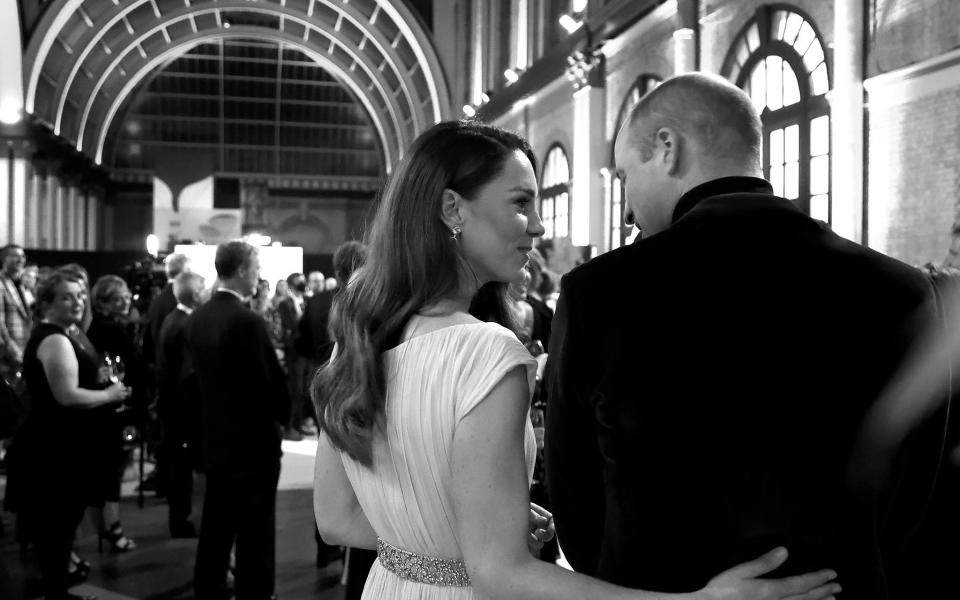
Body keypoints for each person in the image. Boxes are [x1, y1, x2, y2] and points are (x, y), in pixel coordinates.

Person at [311, 120, 838, 600]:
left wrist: (471, 525)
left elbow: (335, 518)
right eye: (521, 203)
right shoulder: (484, 351)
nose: (538, 227)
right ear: (453, 210)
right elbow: (501, 573)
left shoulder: (361, 335)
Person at [545, 73, 938, 599]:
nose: (627, 205)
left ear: (667, 148)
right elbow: (921, 492)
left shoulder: (600, 292)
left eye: (624, 175)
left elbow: (575, 494)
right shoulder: (903, 291)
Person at [6, 272, 129, 600]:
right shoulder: (55, 339)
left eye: (79, 295)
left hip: (61, 444)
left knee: (60, 527)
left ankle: (57, 590)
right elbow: (67, 395)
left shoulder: (66, 333)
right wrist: (109, 396)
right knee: (56, 529)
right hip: (52, 448)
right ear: (46, 303)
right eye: (66, 297)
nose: (77, 301)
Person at [186, 240, 290, 600]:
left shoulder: (198, 316)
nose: (259, 275)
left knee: (215, 526)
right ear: (244, 270)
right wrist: (284, 416)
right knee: (256, 532)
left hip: (215, 439)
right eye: (257, 267)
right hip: (253, 445)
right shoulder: (247, 321)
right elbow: (271, 385)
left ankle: (208, 589)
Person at [86, 274, 147, 553]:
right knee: (111, 472)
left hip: (114, 407)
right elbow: (120, 369)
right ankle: (112, 528)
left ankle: (109, 527)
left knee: (112, 471)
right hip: (112, 410)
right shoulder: (107, 329)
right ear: (102, 302)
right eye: (117, 298)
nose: (125, 302)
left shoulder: (110, 326)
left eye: (126, 296)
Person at [156, 271, 206, 539]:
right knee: (182, 468)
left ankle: (181, 516)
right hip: (182, 410)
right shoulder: (185, 324)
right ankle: (182, 518)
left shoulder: (173, 319)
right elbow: (187, 374)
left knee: (179, 466)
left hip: (173, 407)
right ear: (196, 294)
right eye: (204, 287)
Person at [0, 245, 32, 382]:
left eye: (23, 256)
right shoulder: (0, 284)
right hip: (8, 357)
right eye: (15, 256)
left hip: (24, 351)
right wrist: (15, 353)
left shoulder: (22, 285)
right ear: (4, 259)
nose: (21, 259)